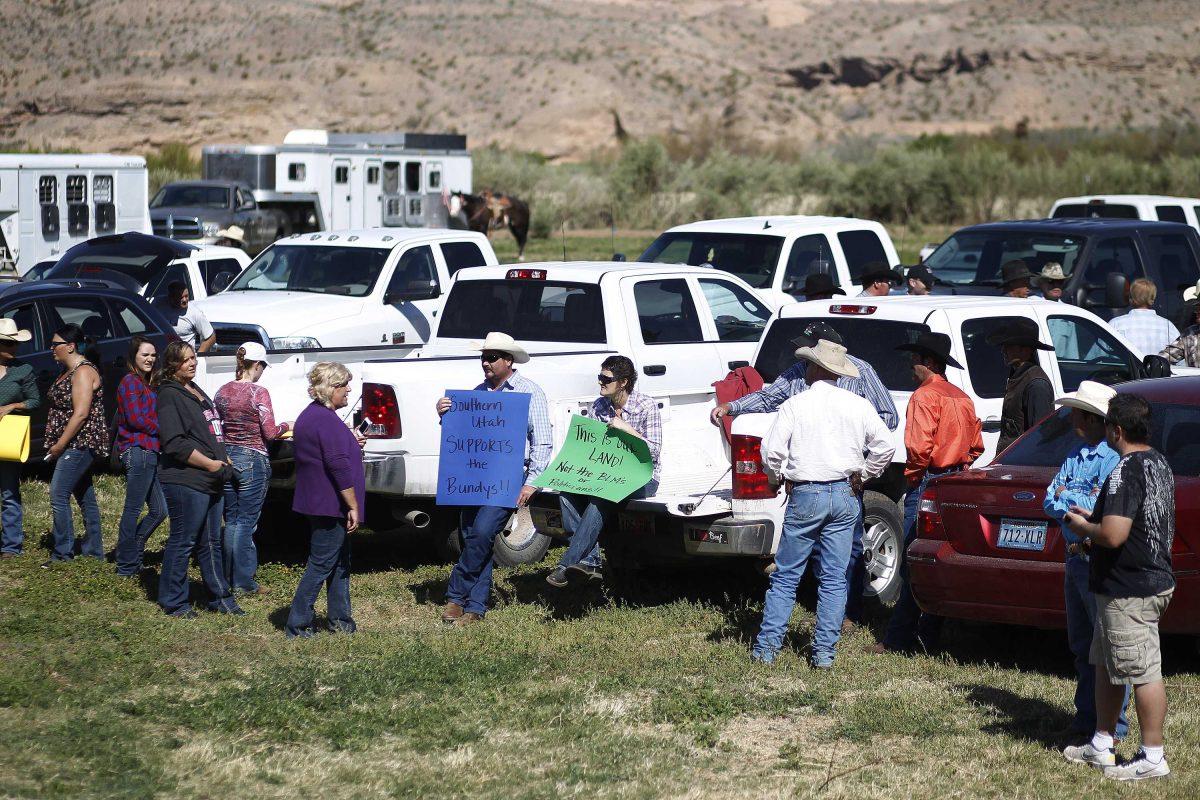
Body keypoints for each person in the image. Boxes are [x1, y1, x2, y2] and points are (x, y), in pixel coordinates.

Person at [711, 322, 897, 627]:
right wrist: (733, 405)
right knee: (820, 552)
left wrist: (857, 455)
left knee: (842, 550)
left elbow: (888, 415)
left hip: (841, 477)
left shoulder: (861, 371)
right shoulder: (798, 373)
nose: (804, 358)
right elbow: (770, 396)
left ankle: (846, 614)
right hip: (817, 478)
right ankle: (826, 629)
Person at [752, 339, 894, 668]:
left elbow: (771, 451)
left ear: (816, 368)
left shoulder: (796, 404)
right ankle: (824, 653)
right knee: (833, 577)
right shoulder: (857, 404)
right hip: (845, 492)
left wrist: (776, 478)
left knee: (787, 575)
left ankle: (767, 650)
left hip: (806, 492)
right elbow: (884, 445)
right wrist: (865, 474)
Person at [1062, 394, 1175, 781]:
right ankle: (1102, 743)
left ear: (1117, 430)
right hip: (1140, 581)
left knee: (1142, 671)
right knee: (1107, 664)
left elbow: (1113, 534)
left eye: (1107, 423)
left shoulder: (1125, 470)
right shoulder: (1159, 463)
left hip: (1130, 588)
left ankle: (1152, 756)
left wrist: (1083, 528)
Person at [875, 332, 983, 654]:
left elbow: (918, 448)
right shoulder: (962, 397)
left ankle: (898, 637)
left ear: (930, 363)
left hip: (928, 480)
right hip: (954, 479)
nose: (912, 366)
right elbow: (976, 446)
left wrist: (914, 477)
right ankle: (928, 635)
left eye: (916, 360)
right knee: (937, 557)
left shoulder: (924, 397)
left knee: (913, 556)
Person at [437, 332, 551, 626]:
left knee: (483, 532)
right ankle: (476, 607)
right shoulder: (477, 392)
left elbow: (542, 440)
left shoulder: (530, 392)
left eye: (492, 357)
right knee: (475, 537)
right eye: (483, 357)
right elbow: (463, 433)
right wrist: (445, 414)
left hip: (507, 480)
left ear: (508, 360)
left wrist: (532, 481)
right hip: (474, 478)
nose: (485, 362)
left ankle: (455, 594)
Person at [1041, 381, 1129, 745]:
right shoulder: (1075, 455)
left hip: (1097, 557)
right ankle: (1086, 718)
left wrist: (1069, 497)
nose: (1072, 417)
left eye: (1077, 411)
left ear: (1092, 418)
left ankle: (1113, 726)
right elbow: (1050, 499)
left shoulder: (1113, 459)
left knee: (1105, 647)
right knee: (1081, 644)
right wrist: (1072, 500)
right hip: (1075, 558)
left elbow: (1096, 507)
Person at [545, 355, 661, 587]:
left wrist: (626, 430)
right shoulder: (598, 407)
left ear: (623, 382)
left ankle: (566, 564)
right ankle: (590, 559)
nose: (600, 382)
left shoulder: (646, 406)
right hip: (607, 473)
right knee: (566, 493)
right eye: (600, 377)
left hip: (642, 477)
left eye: (605, 378)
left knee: (601, 496)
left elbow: (655, 453)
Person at [154, 340, 242, 617]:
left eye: (193, 357)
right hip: (187, 479)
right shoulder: (169, 394)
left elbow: (209, 431)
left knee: (211, 542)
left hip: (211, 477)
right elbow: (174, 443)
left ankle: (220, 598)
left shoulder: (195, 390)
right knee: (184, 541)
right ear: (172, 365)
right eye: (185, 360)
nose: (192, 363)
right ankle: (174, 602)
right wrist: (209, 464)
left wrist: (222, 459)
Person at [286, 361, 365, 638]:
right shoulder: (325, 420)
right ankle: (298, 624)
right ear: (330, 388)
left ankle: (341, 621)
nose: (348, 390)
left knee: (340, 563)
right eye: (344, 385)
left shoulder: (312, 416)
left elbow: (329, 451)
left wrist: (352, 441)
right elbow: (337, 465)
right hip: (330, 505)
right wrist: (353, 505)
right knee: (321, 564)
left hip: (318, 502)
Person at [215, 342, 290, 596]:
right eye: (262, 367)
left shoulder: (222, 391)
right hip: (253, 459)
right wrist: (285, 426)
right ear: (256, 365)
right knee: (247, 523)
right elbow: (269, 431)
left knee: (233, 520)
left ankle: (228, 577)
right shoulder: (259, 393)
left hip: (228, 459)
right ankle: (244, 582)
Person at [42, 325, 108, 566]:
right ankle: (94, 551)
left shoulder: (82, 372)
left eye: (55, 344)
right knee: (84, 495)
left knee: (58, 494)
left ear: (70, 346)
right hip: (74, 443)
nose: (52, 349)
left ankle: (62, 553)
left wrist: (60, 445)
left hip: (79, 443)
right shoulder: (67, 370)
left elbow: (81, 414)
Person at [113, 335, 168, 576]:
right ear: (133, 356)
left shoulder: (148, 383)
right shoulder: (131, 382)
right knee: (133, 509)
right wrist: (166, 428)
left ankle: (133, 551)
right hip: (138, 450)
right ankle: (126, 565)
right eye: (145, 354)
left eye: (153, 355)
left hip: (151, 451)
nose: (150, 359)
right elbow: (136, 419)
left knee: (160, 510)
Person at [0, 318, 40, 559]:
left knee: (9, 491)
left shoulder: (23, 370)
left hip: (7, 437)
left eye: (15, 344)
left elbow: (35, 401)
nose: (14, 348)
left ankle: (11, 545)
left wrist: (11, 406)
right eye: (8, 343)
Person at [988, 318, 1054, 453]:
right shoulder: (1017, 376)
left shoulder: (1036, 384)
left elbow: (1039, 437)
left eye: (1009, 346)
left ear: (1026, 350)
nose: (1003, 351)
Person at [1108, 278, 1179, 357]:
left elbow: (1098, 356)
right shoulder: (1168, 326)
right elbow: (1180, 359)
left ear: (1131, 298)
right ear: (1153, 298)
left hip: (1125, 369)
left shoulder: (1115, 324)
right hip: (1159, 369)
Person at [154, 281, 216, 352]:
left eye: (186, 296)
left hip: (183, 358)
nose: (184, 300)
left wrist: (197, 356)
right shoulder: (158, 304)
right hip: (162, 355)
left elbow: (211, 337)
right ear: (171, 297)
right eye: (180, 297)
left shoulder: (194, 313)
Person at [1159, 297, 1200, 367]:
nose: (1197, 311)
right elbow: (1167, 356)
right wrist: (1154, 364)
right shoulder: (1190, 333)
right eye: (1197, 308)